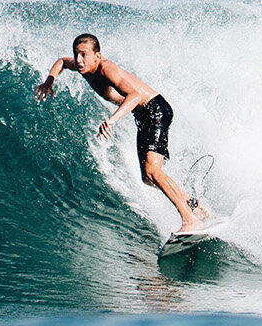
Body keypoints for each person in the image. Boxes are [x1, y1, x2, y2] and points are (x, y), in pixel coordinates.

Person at [37, 33, 213, 231]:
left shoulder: (106, 69)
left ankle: (189, 219)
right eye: (76, 54)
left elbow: (135, 95)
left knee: (153, 170)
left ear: (97, 55)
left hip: (155, 111)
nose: (78, 60)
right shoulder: (83, 67)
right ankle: (194, 206)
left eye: (83, 55)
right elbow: (61, 62)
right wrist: (49, 82)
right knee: (148, 178)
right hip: (144, 116)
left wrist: (111, 121)